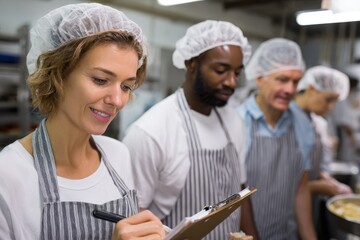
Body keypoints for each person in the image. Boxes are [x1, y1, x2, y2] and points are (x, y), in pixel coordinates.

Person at [0, 3, 166, 239]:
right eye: (100, 80)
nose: (117, 100)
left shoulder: (118, 155)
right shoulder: (8, 175)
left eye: (126, 86)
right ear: (57, 74)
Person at [123, 20, 258, 239]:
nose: (231, 82)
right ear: (192, 64)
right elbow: (134, 217)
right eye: (221, 70)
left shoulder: (233, 121)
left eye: (237, 72)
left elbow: (240, 194)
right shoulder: (150, 131)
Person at [237, 38, 317, 240]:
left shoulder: (302, 123)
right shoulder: (238, 121)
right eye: (282, 79)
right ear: (259, 78)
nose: (290, 89)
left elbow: (301, 188)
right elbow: (231, 196)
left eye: (296, 81)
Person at [294, 65, 352, 238]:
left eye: (335, 101)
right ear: (311, 89)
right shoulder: (287, 120)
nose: (331, 106)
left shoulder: (317, 123)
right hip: (281, 206)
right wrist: (319, 186)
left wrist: (329, 182)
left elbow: (313, 166)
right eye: (328, 99)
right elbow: (279, 179)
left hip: (307, 206)